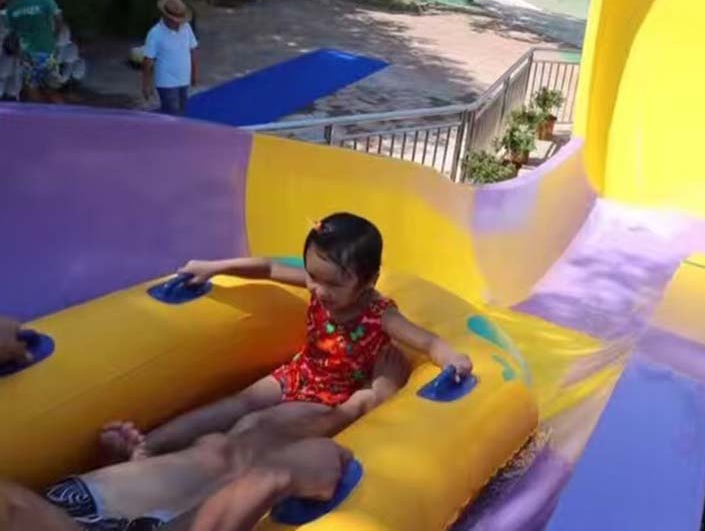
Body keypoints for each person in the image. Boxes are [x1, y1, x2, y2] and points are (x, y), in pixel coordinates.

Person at [101, 212, 472, 462]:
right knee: (237, 403)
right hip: (298, 374)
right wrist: (214, 267)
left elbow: (426, 341)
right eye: (312, 276)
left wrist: (454, 359)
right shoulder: (319, 284)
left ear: (368, 282)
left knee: (259, 428)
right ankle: (147, 446)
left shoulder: (380, 315)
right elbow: (269, 267)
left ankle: (196, 467)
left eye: (333, 283)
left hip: (332, 399)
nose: (318, 289)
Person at [1, 405, 368, 531]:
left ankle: (350, 409)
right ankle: (361, 409)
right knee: (238, 460)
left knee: (221, 449)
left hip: (68, 512)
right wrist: (271, 478)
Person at [3, 0, 63, 103]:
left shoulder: (11, 8)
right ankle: (60, 115)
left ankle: (37, 116)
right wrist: (54, 36)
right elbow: (58, 20)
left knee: (31, 86)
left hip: (27, 52)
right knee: (52, 87)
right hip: (47, 48)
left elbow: (11, 31)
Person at [142, 0, 198, 116]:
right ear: (166, 17)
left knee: (181, 114)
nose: (178, 24)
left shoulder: (186, 28)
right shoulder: (155, 33)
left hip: (184, 79)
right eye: (175, 20)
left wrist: (194, 73)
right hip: (166, 82)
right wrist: (146, 84)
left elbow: (192, 50)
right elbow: (148, 60)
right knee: (173, 115)